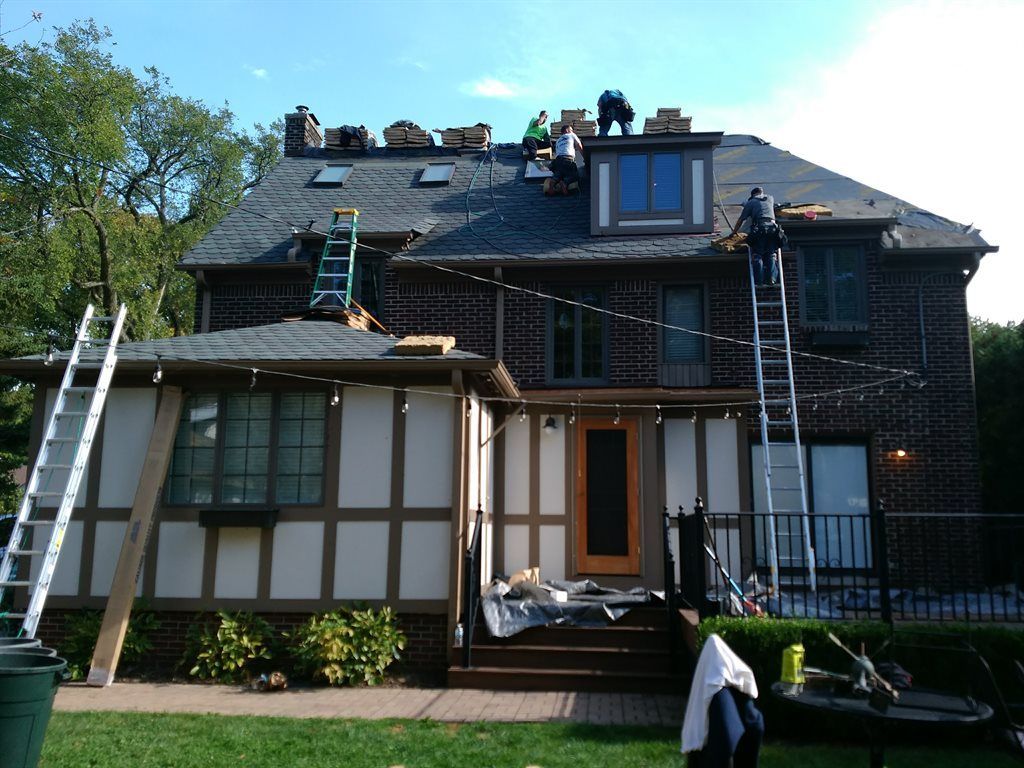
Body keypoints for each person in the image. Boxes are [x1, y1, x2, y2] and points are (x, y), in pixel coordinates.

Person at [734, 187, 783, 286]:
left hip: (760, 229)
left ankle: (759, 281)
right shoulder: (770, 198)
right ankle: (772, 279)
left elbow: (741, 220)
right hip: (773, 230)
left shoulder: (751, 202)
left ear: (752, 195)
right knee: (771, 255)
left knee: (757, 255)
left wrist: (734, 232)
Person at [546, 125, 583, 196]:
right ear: (567, 130)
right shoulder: (571, 135)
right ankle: (565, 183)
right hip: (567, 159)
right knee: (576, 174)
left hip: (557, 161)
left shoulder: (558, 140)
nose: (572, 131)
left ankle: (553, 181)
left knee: (560, 173)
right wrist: (584, 157)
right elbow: (579, 145)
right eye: (571, 130)